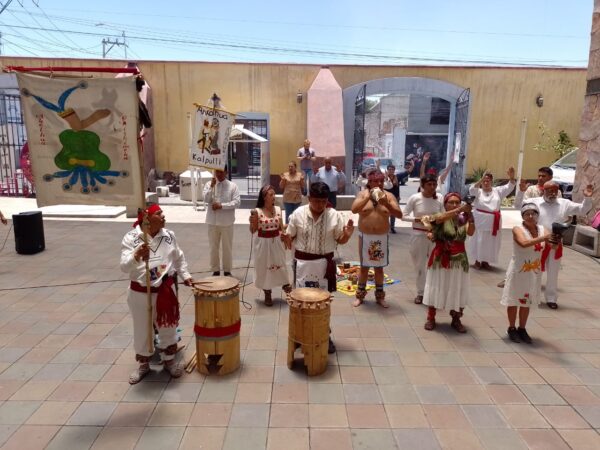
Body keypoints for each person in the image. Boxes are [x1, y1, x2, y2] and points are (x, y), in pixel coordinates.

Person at [120, 205, 194, 384]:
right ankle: (144, 365)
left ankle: (169, 360)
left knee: (167, 326)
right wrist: (136, 255)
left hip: (164, 291)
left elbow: (178, 257)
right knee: (142, 328)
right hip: (140, 292)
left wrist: (185, 275)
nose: (163, 215)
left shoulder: (169, 235)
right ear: (147, 217)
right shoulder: (132, 238)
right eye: (158, 213)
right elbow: (123, 266)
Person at [282, 182, 354, 353]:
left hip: (323, 265)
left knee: (322, 304)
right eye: (316, 201)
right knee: (300, 302)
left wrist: (347, 235)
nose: (320, 205)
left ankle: (324, 335)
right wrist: (285, 238)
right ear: (309, 199)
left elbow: (340, 240)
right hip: (302, 265)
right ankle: (300, 335)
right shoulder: (298, 214)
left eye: (323, 201)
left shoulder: (334, 215)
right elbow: (289, 237)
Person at [514, 181, 593, 308]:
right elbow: (518, 206)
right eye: (549, 190)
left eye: (555, 190)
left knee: (553, 272)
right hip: (539, 241)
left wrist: (587, 197)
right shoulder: (535, 202)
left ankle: (551, 299)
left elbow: (582, 210)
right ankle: (533, 296)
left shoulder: (564, 203)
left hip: (555, 242)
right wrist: (521, 192)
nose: (552, 192)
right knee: (535, 269)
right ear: (543, 191)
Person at [422, 193, 475, 332]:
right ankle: (431, 317)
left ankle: (456, 318)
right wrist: (458, 210)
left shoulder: (463, 218)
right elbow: (435, 220)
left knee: (457, 287)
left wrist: (471, 217)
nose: (454, 204)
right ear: (445, 204)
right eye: (451, 202)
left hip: (459, 259)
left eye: (457, 202)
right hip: (441, 258)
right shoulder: (441, 216)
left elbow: (470, 232)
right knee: (437, 286)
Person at [351, 169, 403, 308]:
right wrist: (368, 197)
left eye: (380, 181)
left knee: (379, 268)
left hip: (381, 237)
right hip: (365, 236)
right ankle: (360, 295)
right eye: (375, 181)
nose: (378, 183)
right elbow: (354, 209)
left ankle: (380, 296)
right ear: (369, 182)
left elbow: (399, 214)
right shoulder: (362, 194)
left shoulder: (389, 196)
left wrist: (386, 203)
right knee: (364, 268)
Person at [501, 203, 550, 344]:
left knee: (526, 300)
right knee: (514, 299)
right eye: (527, 213)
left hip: (533, 272)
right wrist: (544, 238)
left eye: (533, 214)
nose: (530, 216)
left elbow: (551, 244)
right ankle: (511, 328)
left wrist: (555, 239)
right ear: (522, 216)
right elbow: (523, 243)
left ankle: (522, 328)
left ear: (537, 216)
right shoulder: (518, 229)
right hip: (518, 270)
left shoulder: (543, 229)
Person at [402, 174, 444, 304]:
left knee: (435, 265)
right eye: (429, 184)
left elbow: (443, 215)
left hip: (435, 235)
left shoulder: (440, 198)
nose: (432, 187)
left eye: (434, 185)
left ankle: (433, 293)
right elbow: (403, 215)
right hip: (418, 235)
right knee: (420, 266)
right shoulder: (415, 198)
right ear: (422, 185)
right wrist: (417, 220)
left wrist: (438, 221)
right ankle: (421, 293)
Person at [249, 185, 292, 306]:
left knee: (281, 266)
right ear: (264, 197)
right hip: (263, 244)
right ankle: (267, 292)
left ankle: (287, 289)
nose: (274, 197)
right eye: (271, 194)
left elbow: (281, 227)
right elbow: (253, 231)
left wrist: (286, 234)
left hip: (276, 243)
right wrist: (251, 222)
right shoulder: (257, 211)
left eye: (274, 194)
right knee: (264, 268)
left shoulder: (278, 209)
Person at [467, 167, 516, 269]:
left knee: (490, 242)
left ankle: (486, 261)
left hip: (494, 221)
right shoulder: (478, 192)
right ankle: (477, 261)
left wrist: (511, 177)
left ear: (491, 182)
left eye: (488, 181)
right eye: (484, 181)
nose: (486, 183)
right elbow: (471, 189)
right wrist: (481, 179)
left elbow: (510, 187)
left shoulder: (497, 191)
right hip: (480, 220)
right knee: (478, 240)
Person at [203, 166, 241, 276]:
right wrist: (211, 186)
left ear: (226, 172)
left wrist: (222, 206)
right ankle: (215, 269)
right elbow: (206, 199)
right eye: (216, 172)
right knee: (213, 247)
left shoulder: (233, 186)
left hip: (226, 222)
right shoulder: (208, 184)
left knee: (227, 247)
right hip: (212, 221)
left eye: (220, 172)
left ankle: (227, 270)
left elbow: (237, 202)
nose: (218, 174)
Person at [384, 164, 400, 233]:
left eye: (392, 169)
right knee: (386, 213)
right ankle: (385, 227)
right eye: (389, 169)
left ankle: (392, 228)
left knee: (393, 214)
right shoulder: (385, 178)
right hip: (386, 198)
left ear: (394, 170)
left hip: (395, 198)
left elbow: (408, 172)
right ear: (387, 170)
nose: (391, 171)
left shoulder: (397, 177)